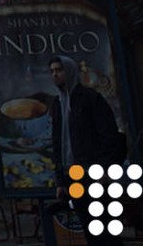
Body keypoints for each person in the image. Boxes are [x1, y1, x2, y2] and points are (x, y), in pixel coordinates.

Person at [40, 57, 125, 246]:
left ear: (69, 71)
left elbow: (109, 135)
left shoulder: (89, 98)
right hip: (73, 174)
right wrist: (61, 181)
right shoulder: (58, 103)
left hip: (92, 172)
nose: (55, 74)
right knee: (88, 226)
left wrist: (104, 168)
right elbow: (58, 143)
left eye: (59, 70)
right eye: (52, 71)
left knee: (103, 225)